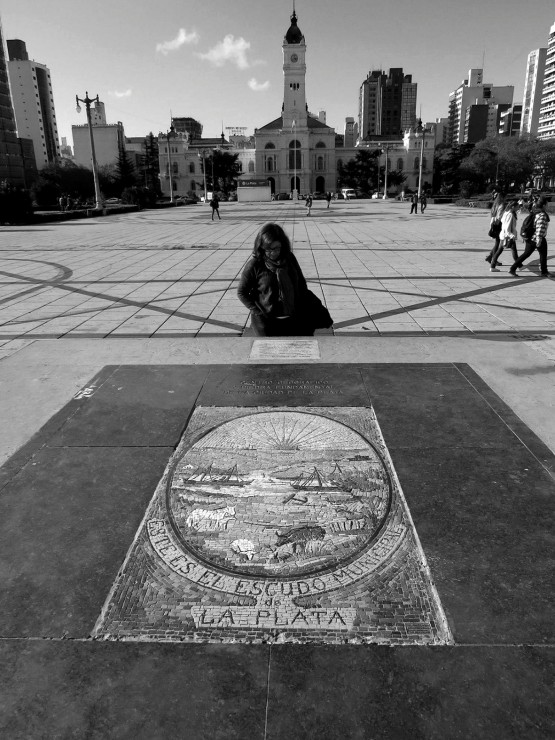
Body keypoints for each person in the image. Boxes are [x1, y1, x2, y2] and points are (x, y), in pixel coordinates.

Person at [237, 222, 314, 336]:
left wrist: (302, 306)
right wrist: (258, 312)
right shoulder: (255, 265)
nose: (273, 253)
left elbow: (301, 284)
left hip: (292, 320)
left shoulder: (289, 259)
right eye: (268, 249)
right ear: (261, 247)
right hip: (265, 324)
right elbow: (241, 292)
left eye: (277, 248)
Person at [509, 196, 551, 277]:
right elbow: (540, 227)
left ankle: (512, 268)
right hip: (537, 238)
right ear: (544, 205)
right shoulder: (542, 215)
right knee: (543, 254)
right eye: (547, 204)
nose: (547, 205)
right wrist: (539, 239)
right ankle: (544, 271)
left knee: (526, 254)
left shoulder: (535, 212)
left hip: (530, 238)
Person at [490, 200, 518, 271]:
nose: (518, 208)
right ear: (513, 207)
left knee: (499, 250)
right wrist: (511, 235)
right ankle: (519, 265)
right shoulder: (510, 215)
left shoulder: (506, 213)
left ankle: (492, 266)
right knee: (513, 250)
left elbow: (503, 222)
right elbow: (507, 227)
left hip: (503, 235)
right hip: (507, 236)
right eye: (517, 207)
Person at [486, 192, 506, 264]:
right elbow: (499, 216)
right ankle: (493, 260)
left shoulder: (495, 204)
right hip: (499, 224)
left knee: (497, 242)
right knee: (498, 243)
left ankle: (490, 257)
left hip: (494, 223)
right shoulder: (502, 205)